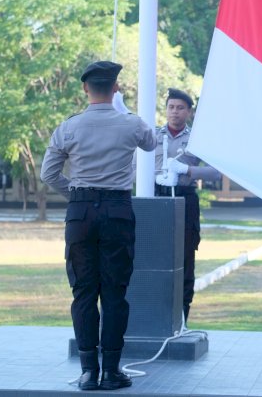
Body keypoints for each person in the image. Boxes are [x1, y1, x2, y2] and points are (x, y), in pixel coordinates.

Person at [41, 61, 156, 391]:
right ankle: (111, 371)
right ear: (116, 88)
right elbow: (150, 144)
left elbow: (48, 174)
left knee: (83, 292)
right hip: (117, 211)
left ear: (85, 89)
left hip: (80, 214)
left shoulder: (69, 128)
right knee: (115, 293)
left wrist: (76, 195)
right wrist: (126, 112)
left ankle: (88, 371)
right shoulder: (129, 123)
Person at [154, 88, 221, 323]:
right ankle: (156, 317)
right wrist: (154, 176)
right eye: (171, 107)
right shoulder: (153, 135)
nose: (175, 112)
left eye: (180, 108)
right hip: (156, 198)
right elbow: (133, 165)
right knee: (154, 257)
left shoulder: (197, 139)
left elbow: (216, 173)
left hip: (185, 198)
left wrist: (188, 170)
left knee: (185, 258)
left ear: (189, 112)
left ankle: (182, 318)